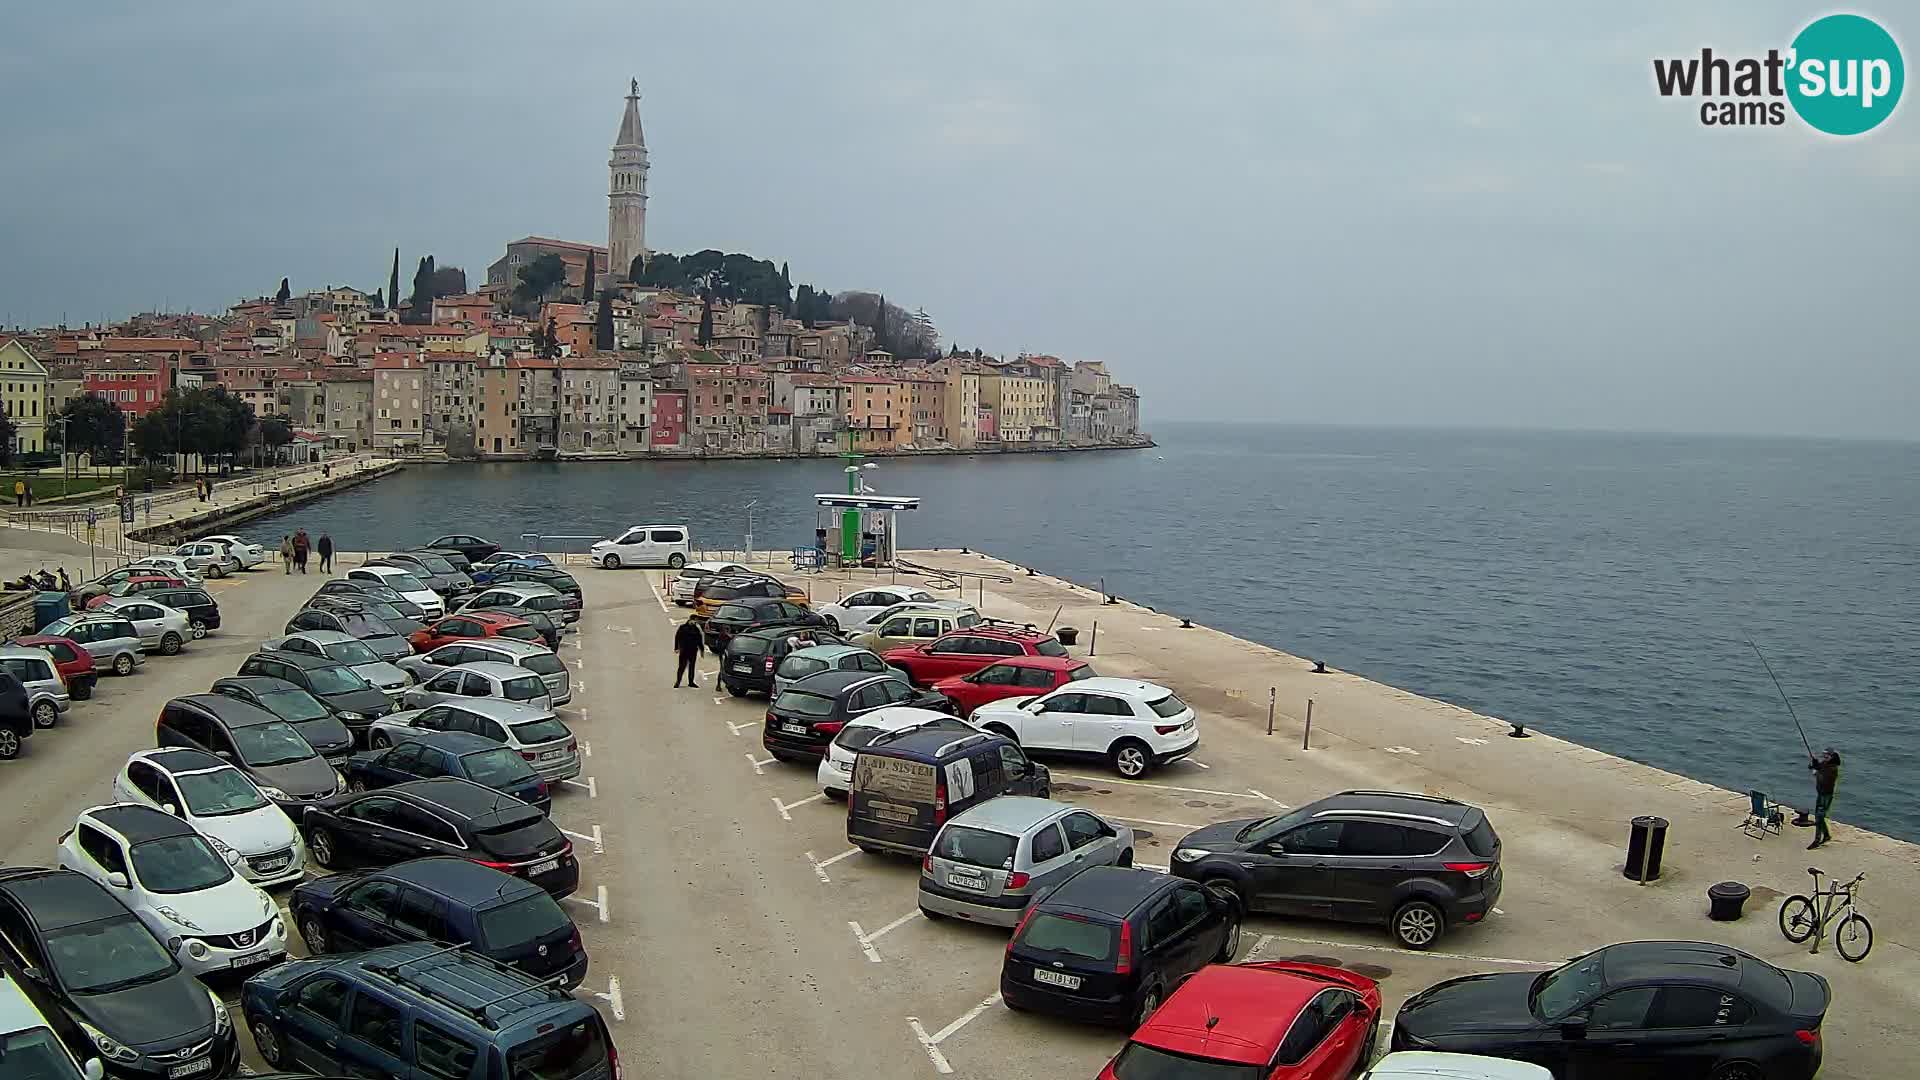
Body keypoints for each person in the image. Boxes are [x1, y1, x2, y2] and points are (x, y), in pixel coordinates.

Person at [1807, 748, 1841, 849]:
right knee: (1819, 817)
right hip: (1820, 794)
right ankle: (1826, 835)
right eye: (1824, 755)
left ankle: (1817, 840)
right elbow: (1812, 767)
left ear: (1832, 757)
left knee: (1819, 817)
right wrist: (1814, 763)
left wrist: (1816, 773)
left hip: (1826, 796)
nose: (1824, 757)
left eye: (1827, 756)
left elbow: (1824, 780)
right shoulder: (1824, 764)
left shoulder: (1833, 768)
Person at [673, 614, 704, 688]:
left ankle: (691, 682)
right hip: (684, 650)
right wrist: (676, 648)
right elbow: (677, 637)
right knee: (681, 667)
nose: (695, 622)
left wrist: (701, 650)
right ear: (691, 619)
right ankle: (678, 682)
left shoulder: (696, 629)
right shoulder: (683, 627)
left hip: (693, 651)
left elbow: (699, 640)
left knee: (692, 667)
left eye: (696, 621)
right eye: (695, 620)